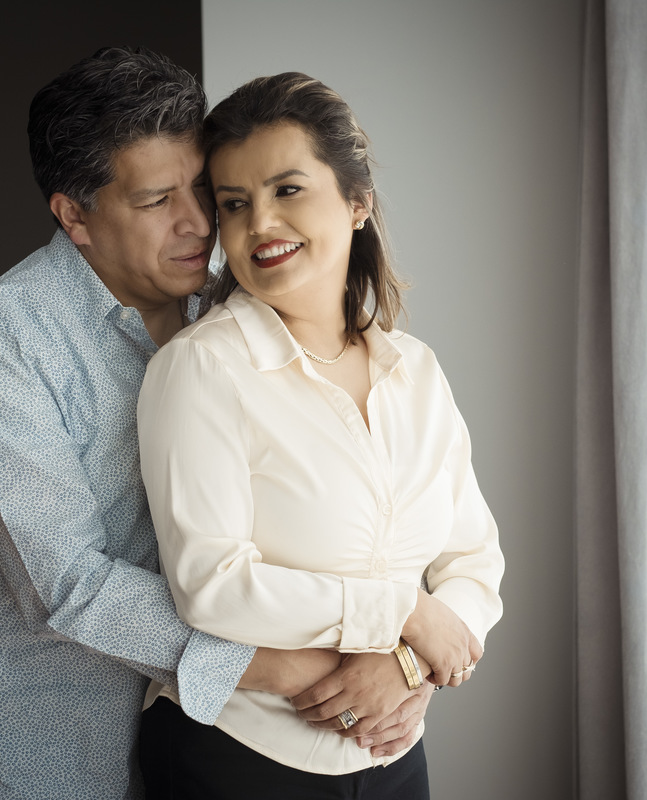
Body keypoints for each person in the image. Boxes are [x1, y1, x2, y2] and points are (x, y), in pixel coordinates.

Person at [0, 48, 429, 800]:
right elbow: (65, 581)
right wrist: (291, 667)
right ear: (74, 215)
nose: (199, 223)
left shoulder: (244, 311)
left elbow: (344, 505)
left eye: (202, 188)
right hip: (49, 755)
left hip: (226, 745)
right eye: (158, 200)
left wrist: (397, 658)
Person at [137, 72, 505, 799]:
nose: (259, 224)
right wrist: (399, 611)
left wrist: (409, 666)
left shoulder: (417, 372)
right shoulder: (201, 369)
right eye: (234, 204)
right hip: (240, 757)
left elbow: (474, 560)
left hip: (394, 753)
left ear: (358, 202)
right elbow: (212, 587)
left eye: (288, 190)